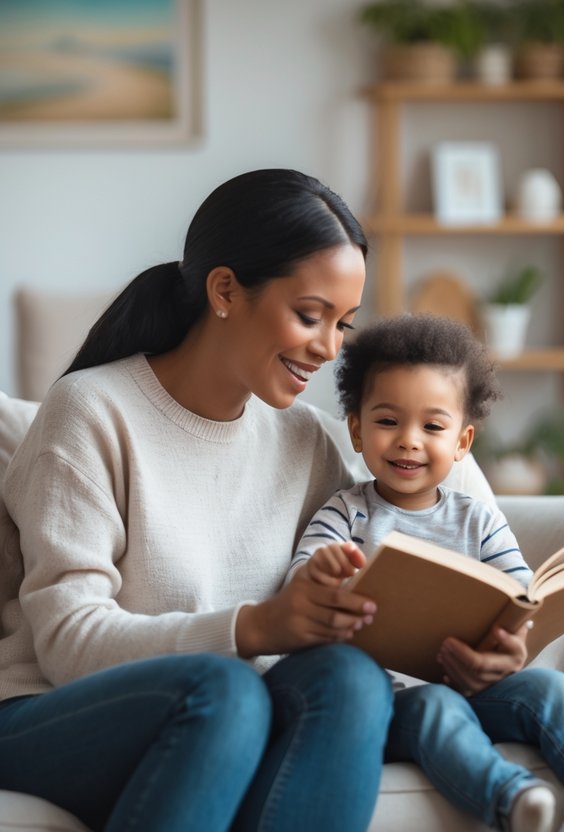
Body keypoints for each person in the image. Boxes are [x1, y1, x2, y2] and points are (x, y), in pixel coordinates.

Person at [0, 169, 395, 831]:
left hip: (223, 719)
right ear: (224, 290)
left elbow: (360, 603)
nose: (328, 349)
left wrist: (458, 651)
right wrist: (255, 628)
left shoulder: (307, 444)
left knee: (351, 680)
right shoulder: (92, 412)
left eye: (344, 325)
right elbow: (67, 643)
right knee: (225, 690)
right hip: (47, 716)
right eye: (309, 316)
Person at [291, 314, 564, 832]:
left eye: (432, 426)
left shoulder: (479, 519)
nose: (409, 441)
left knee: (553, 692)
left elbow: (522, 597)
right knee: (437, 711)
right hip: (397, 701)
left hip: (478, 684)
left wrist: (514, 645)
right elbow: (302, 583)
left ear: (462, 442)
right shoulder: (346, 512)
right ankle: (514, 799)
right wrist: (324, 571)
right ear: (356, 428)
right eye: (387, 421)